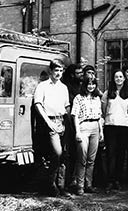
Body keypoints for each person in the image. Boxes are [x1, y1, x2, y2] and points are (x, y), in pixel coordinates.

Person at [34, 59, 71, 197]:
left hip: (62, 121)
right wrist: (48, 122)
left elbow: (66, 106)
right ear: (51, 71)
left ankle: (61, 186)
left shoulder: (63, 87)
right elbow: (38, 104)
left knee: (64, 155)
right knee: (57, 152)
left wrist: (69, 122)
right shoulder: (42, 86)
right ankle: (50, 184)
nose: (59, 73)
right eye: (56, 70)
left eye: (61, 71)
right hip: (50, 123)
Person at [102, 69, 128, 193]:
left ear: (124, 78)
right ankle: (110, 181)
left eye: (121, 77)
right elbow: (104, 109)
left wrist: (127, 119)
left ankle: (117, 180)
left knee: (121, 154)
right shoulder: (107, 93)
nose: (119, 79)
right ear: (113, 79)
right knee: (111, 153)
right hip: (110, 126)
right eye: (116, 77)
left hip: (124, 127)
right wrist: (108, 118)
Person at [71, 76, 103, 195]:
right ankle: (80, 186)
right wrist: (77, 132)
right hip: (83, 127)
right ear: (85, 85)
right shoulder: (79, 98)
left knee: (91, 159)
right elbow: (74, 115)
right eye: (89, 84)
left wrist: (101, 132)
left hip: (95, 127)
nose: (91, 86)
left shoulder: (96, 98)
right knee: (82, 158)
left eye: (93, 84)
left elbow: (99, 116)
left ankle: (88, 184)